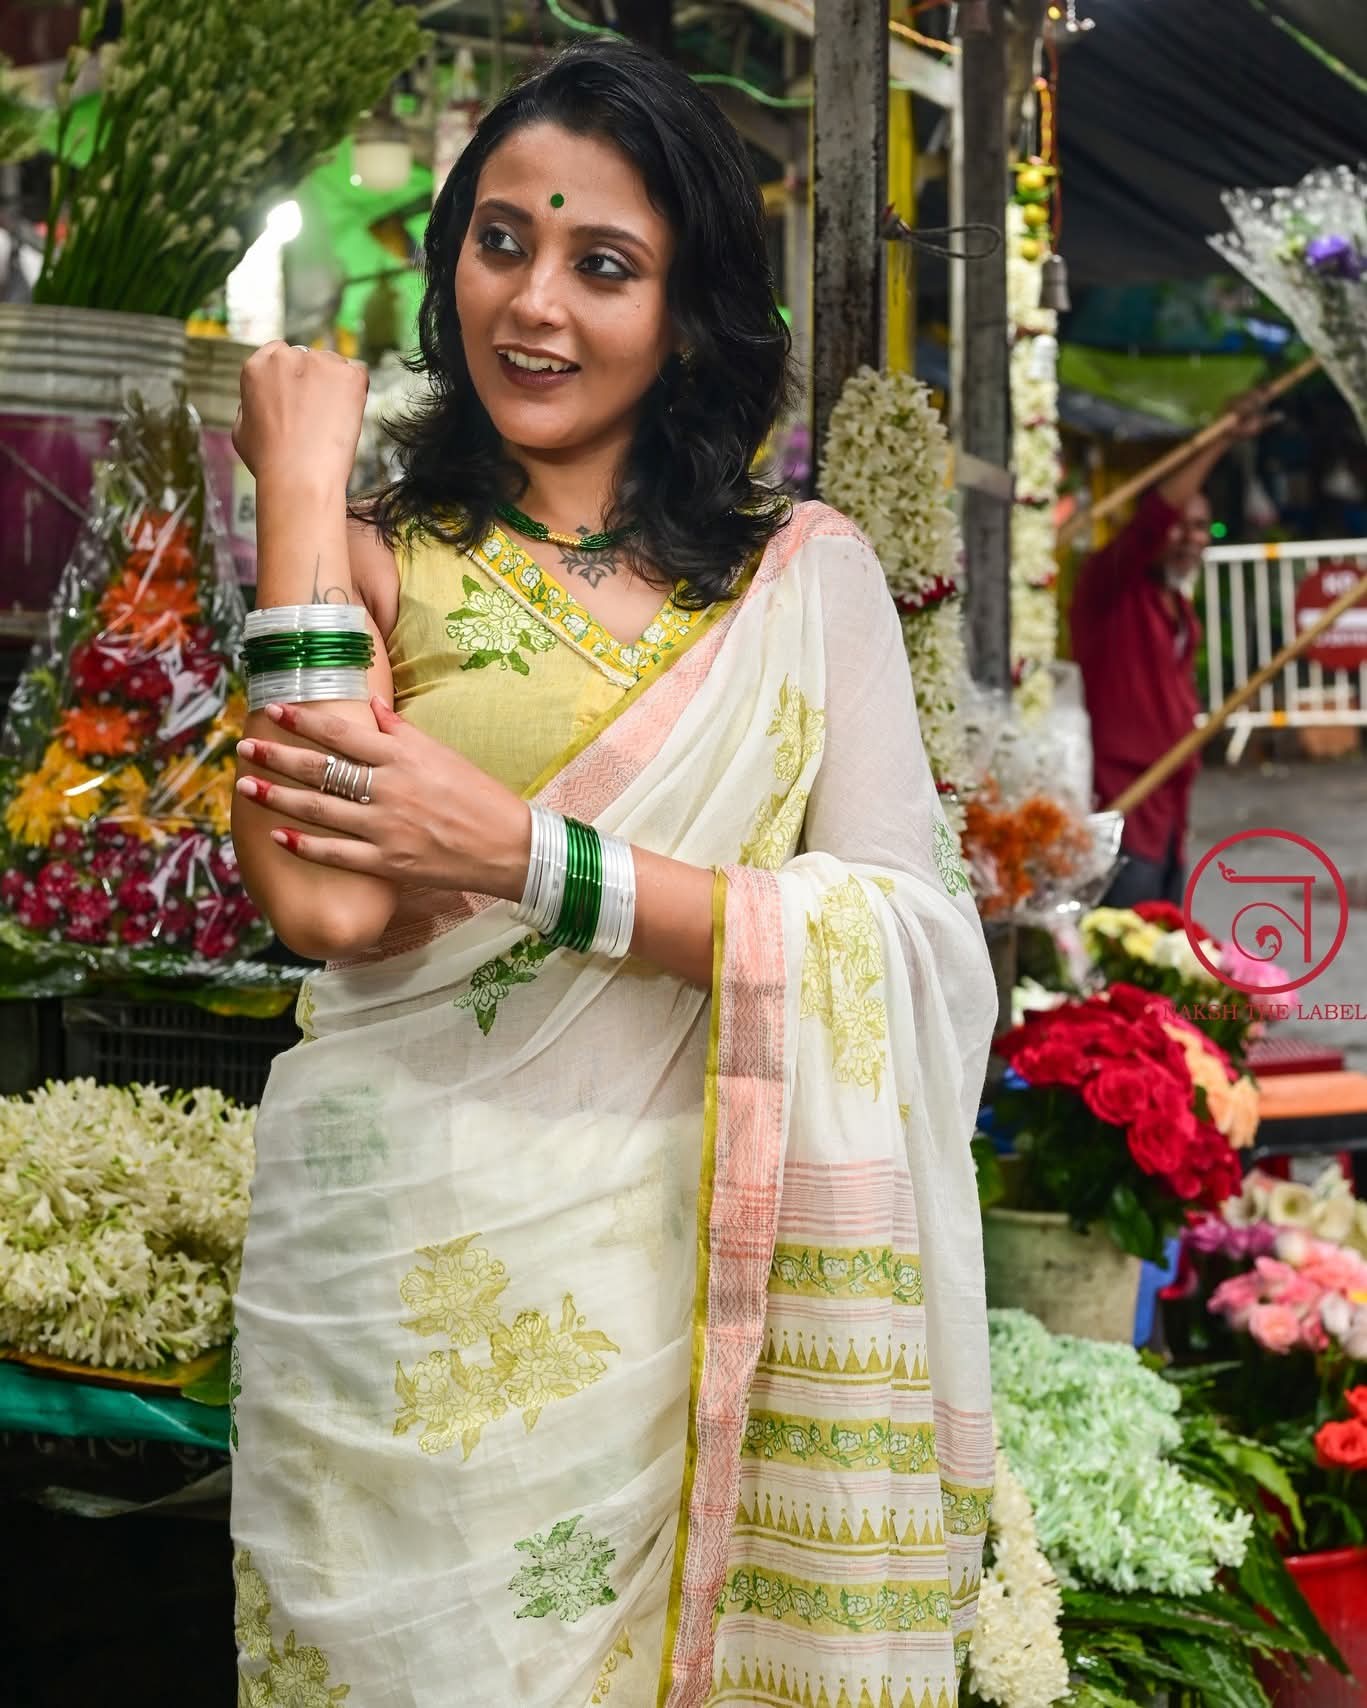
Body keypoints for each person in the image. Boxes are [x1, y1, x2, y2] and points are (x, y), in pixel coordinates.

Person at [228, 38, 995, 1708]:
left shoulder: (801, 578)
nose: (534, 304)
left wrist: (523, 858)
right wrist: (294, 483)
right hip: (406, 1283)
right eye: (499, 242)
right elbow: (326, 905)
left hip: (688, 1273)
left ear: (689, 309)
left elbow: (912, 943)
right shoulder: (368, 555)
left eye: (602, 265)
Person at [1070, 407, 1271, 908]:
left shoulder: (1179, 609)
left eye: (1200, 527)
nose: (1189, 538)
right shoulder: (1110, 585)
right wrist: (1223, 437)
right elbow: (1155, 516)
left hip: (1169, 817)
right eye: (1177, 527)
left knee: (1163, 943)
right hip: (1122, 809)